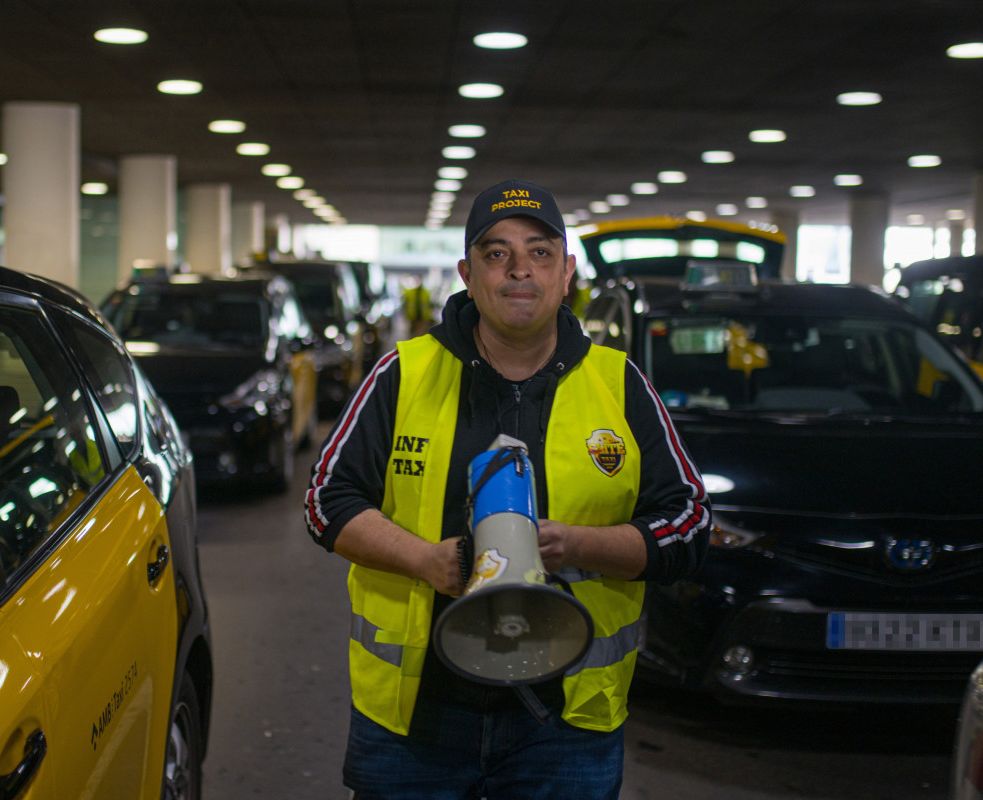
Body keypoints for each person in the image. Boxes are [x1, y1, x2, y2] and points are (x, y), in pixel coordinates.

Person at [304, 178, 710, 799]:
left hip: (567, 723)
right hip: (417, 717)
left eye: (541, 252)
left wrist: (577, 545)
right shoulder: (403, 373)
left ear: (568, 273)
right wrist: (425, 560)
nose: (520, 269)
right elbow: (325, 500)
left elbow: (688, 522)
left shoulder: (618, 383)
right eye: (497, 254)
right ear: (468, 274)